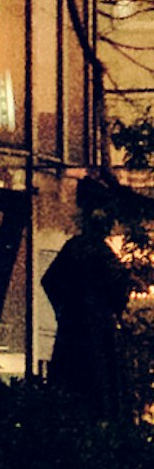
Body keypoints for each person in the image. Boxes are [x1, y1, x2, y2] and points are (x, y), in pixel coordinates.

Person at [46, 174, 138, 416]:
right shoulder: (96, 251)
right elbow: (118, 288)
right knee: (100, 386)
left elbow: (51, 281)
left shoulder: (78, 248)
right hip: (94, 327)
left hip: (77, 326)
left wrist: (65, 311)